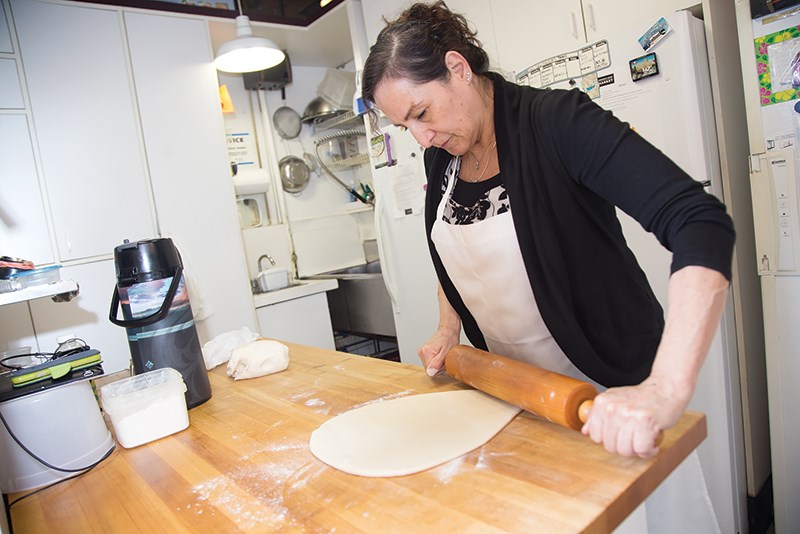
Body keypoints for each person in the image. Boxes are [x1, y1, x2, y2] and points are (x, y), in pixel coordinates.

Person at [361, 1, 733, 464]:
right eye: (405, 125)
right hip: (520, 393)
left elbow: (699, 220)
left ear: (457, 68)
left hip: (609, 395)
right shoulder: (443, 155)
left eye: (421, 112)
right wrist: (447, 327)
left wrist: (663, 389)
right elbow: (454, 247)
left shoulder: (558, 122)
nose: (421, 137)